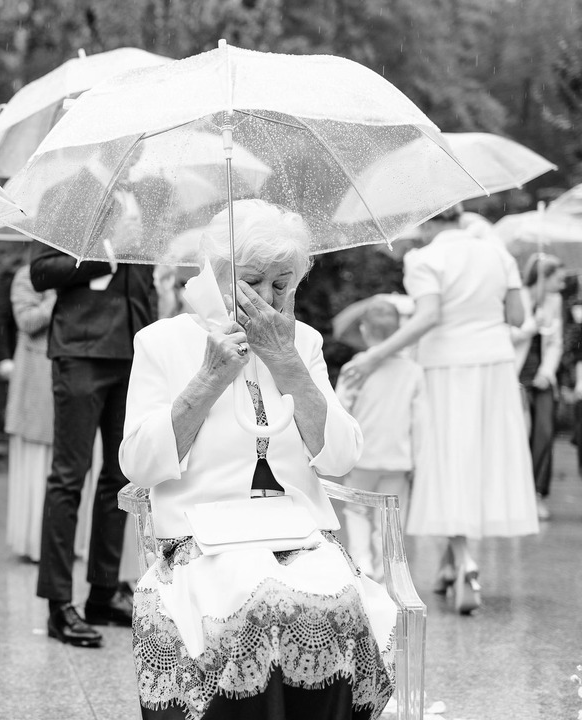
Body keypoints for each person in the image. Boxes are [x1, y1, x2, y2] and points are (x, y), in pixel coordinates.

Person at [120, 200, 395, 720]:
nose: (268, 299)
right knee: (259, 601)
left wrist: (287, 364)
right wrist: (208, 379)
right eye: (252, 282)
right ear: (216, 274)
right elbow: (138, 463)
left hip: (298, 534)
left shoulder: (303, 343)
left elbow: (339, 457)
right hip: (203, 538)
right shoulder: (163, 342)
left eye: (281, 285)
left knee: (332, 603)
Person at [342, 205, 538, 615]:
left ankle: (464, 558)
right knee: (481, 459)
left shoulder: (425, 259)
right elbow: (518, 316)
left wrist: (375, 355)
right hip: (496, 366)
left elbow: (428, 316)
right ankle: (451, 565)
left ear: (431, 222)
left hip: (446, 367)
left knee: (449, 460)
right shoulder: (497, 253)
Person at [31, 222, 156, 647]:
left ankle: (103, 592)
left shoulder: (143, 203)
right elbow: (41, 272)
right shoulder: (66, 198)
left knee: (120, 477)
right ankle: (58, 604)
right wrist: (111, 250)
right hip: (81, 350)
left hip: (133, 353)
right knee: (69, 476)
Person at [334, 298, 427, 582]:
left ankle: (362, 561)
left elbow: (340, 409)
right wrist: (418, 460)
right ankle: (387, 571)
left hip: (363, 455)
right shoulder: (414, 371)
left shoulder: (355, 367)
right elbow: (420, 421)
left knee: (357, 509)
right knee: (390, 518)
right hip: (398, 458)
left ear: (364, 330)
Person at [5, 262, 57, 561]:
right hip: (36, 387)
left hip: (67, 386)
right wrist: (56, 297)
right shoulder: (28, 275)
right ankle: (36, 544)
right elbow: (26, 320)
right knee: (37, 469)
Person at [512, 253, 565, 521]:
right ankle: (514, 495)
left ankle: (537, 494)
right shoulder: (516, 297)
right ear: (543, 277)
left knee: (544, 433)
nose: (562, 285)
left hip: (542, 379)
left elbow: (556, 342)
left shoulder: (555, 301)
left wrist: (547, 371)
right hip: (515, 377)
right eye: (558, 279)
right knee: (517, 437)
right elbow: (506, 334)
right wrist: (532, 325)